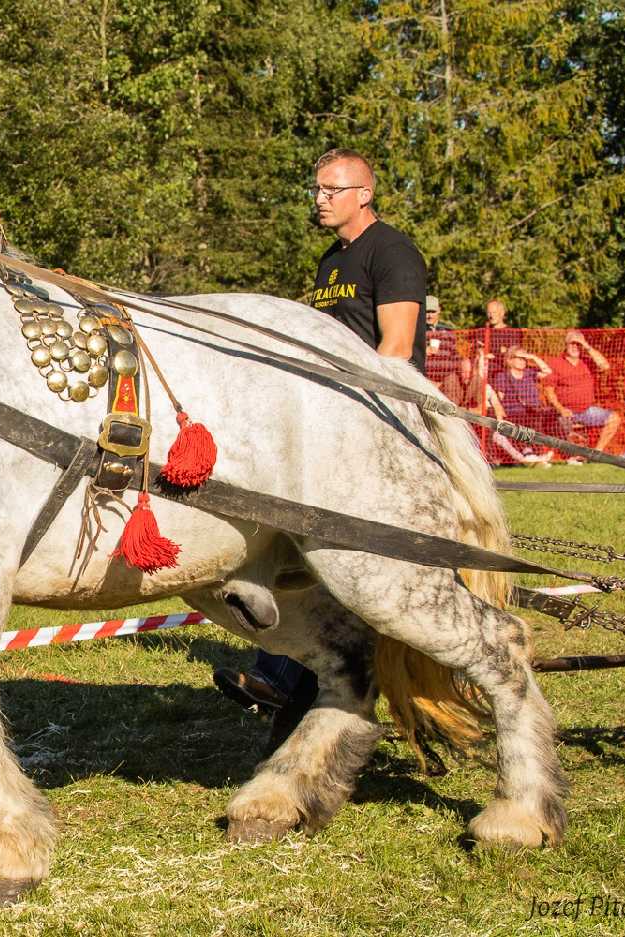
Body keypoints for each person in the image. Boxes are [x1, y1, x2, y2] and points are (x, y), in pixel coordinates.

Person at [215, 148, 426, 736]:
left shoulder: (392, 252)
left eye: (331, 189)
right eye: (316, 189)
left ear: (364, 193)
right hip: (329, 420)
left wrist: (352, 417)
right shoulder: (332, 261)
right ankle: (287, 680)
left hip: (377, 417)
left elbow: (397, 346)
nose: (320, 199)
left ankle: (285, 677)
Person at [542, 331, 621, 454]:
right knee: (562, 424)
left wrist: (587, 346)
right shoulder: (555, 363)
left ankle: (597, 453)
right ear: (566, 344)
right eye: (572, 344)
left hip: (586, 410)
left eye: (578, 344)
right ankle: (570, 455)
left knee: (614, 419)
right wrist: (560, 408)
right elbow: (548, 391)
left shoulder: (587, 362)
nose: (575, 347)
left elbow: (605, 366)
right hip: (565, 412)